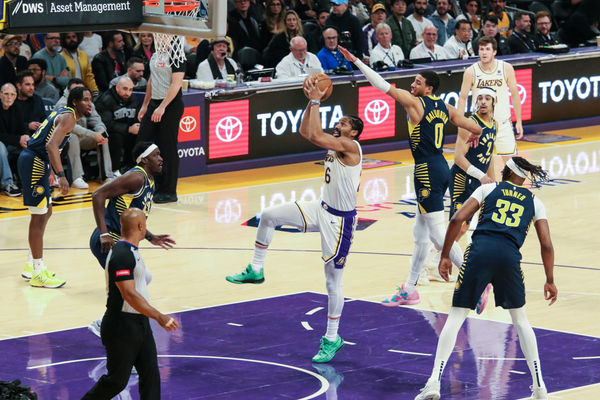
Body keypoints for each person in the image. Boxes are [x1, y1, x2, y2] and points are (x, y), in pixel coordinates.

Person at [226, 78, 364, 364]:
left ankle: (332, 337)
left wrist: (316, 99)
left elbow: (315, 136)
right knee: (269, 216)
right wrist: (309, 102)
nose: (338, 123)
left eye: (343, 122)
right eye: (337, 120)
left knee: (332, 281)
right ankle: (256, 269)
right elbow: (307, 131)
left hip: (340, 222)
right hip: (321, 208)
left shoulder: (350, 147)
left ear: (355, 131)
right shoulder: (337, 142)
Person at [338, 45, 482, 306]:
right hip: (439, 166)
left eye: (417, 82)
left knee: (438, 235)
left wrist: (357, 60)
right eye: (413, 81)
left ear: (429, 88)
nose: (412, 84)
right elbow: (474, 126)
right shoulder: (445, 107)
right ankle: (411, 288)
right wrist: (474, 134)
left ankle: (477, 279)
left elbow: (382, 85)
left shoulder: (416, 103)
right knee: (420, 235)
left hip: (426, 170)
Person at [413, 157, 557, 400]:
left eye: (504, 169)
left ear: (509, 173)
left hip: (480, 252)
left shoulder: (488, 188)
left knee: (457, 315)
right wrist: (550, 279)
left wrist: (445, 254)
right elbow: (546, 244)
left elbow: (458, 218)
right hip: (509, 257)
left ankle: (434, 382)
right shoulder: (535, 202)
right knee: (521, 321)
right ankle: (540, 388)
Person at [81, 208, 179, 400]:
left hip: (139, 322)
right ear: (141, 226)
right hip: (121, 325)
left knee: (151, 376)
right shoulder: (121, 254)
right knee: (117, 381)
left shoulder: (132, 251)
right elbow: (129, 294)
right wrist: (159, 316)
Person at [87, 142, 175, 337]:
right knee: (132, 287)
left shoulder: (149, 180)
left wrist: (150, 236)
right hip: (109, 241)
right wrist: (103, 233)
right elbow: (98, 195)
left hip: (122, 243)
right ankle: (117, 327)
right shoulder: (136, 177)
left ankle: (109, 325)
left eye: (160, 154)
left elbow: (132, 215)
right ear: (144, 159)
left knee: (139, 282)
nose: (161, 158)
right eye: (156, 155)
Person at [17, 86, 93, 288]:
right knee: (39, 215)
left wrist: (49, 169)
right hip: (34, 162)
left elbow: (48, 144)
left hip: (39, 161)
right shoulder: (68, 117)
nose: (89, 103)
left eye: (90, 99)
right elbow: (51, 145)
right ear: (75, 102)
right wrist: (61, 175)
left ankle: (31, 265)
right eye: (85, 99)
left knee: (47, 211)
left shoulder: (64, 113)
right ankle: (38, 273)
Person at [458, 36, 523, 169]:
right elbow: (463, 97)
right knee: (481, 166)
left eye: (487, 49)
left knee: (512, 166)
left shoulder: (506, 68)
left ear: (494, 52)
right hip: (479, 127)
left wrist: (519, 121)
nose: (484, 52)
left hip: (502, 122)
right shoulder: (471, 71)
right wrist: (461, 123)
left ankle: (513, 189)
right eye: (481, 49)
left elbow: (515, 94)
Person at [136, 40, 185, 204]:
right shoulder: (156, 54)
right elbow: (152, 79)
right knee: (143, 141)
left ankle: (169, 191)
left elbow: (176, 83)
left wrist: (163, 106)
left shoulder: (178, 57)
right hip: (154, 104)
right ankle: (147, 183)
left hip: (170, 105)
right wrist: (145, 105)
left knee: (167, 147)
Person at [55, 79, 111, 189]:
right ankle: (77, 177)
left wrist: (101, 132)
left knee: (102, 137)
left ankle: (106, 176)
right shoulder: (62, 104)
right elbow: (71, 127)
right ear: (69, 91)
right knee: (72, 136)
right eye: (76, 90)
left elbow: (97, 120)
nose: (80, 92)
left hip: (84, 137)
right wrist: (93, 135)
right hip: (62, 141)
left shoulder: (87, 102)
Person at [96, 77, 141, 176]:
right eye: (125, 89)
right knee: (116, 137)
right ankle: (114, 170)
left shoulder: (133, 99)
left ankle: (133, 166)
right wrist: (128, 129)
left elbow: (137, 118)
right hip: (109, 132)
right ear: (117, 88)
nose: (128, 93)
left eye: (130, 90)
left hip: (127, 129)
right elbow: (106, 124)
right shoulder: (106, 99)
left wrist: (137, 126)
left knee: (141, 134)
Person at [0, 83, 25, 197]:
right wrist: (18, 139)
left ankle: (30, 181)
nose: (9, 97)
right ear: (0, 95)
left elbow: (22, 129)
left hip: (11, 143)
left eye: (12, 94)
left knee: (31, 144)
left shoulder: (17, 108)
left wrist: (25, 137)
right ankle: (7, 184)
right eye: (6, 94)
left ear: (15, 96)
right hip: (2, 145)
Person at [14, 71, 47, 135]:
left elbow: (43, 117)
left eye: (33, 84)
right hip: (17, 137)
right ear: (19, 86)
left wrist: (43, 124)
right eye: (28, 84)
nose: (32, 88)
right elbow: (9, 124)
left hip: (36, 137)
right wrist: (27, 126)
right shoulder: (11, 101)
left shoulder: (37, 100)